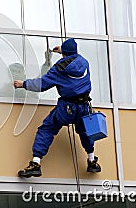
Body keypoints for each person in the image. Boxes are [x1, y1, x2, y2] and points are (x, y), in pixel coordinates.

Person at [14, 38, 101, 178]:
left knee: (47, 129)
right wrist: (65, 51)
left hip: (66, 108)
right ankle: (92, 160)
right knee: (85, 132)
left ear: (64, 53)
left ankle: (36, 163)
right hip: (83, 107)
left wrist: (23, 84)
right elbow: (73, 59)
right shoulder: (84, 63)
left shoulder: (59, 69)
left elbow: (41, 85)